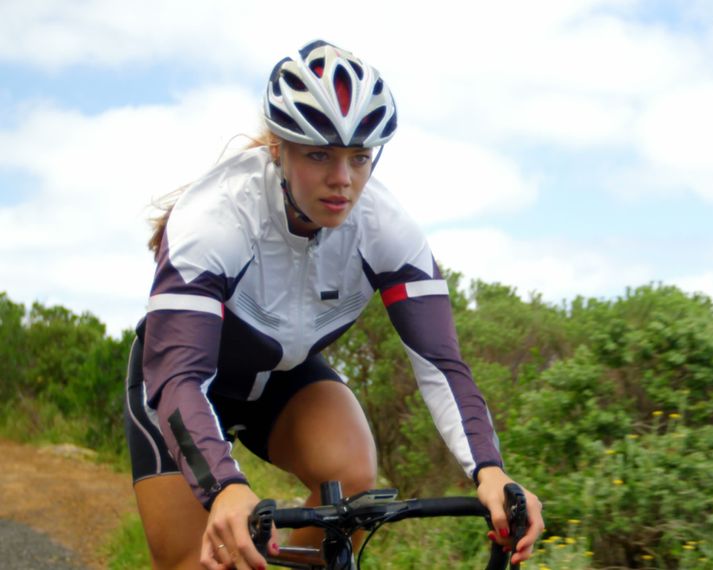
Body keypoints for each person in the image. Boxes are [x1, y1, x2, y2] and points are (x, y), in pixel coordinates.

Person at [124, 39, 544, 570]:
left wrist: (490, 471)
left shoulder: (386, 228)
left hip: (280, 376)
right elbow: (179, 378)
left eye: (359, 157)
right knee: (201, 562)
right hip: (178, 384)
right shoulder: (214, 217)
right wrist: (226, 488)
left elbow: (441, 364)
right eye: (319, 154)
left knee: (351, 475)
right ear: (278, 147)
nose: (342, 179)